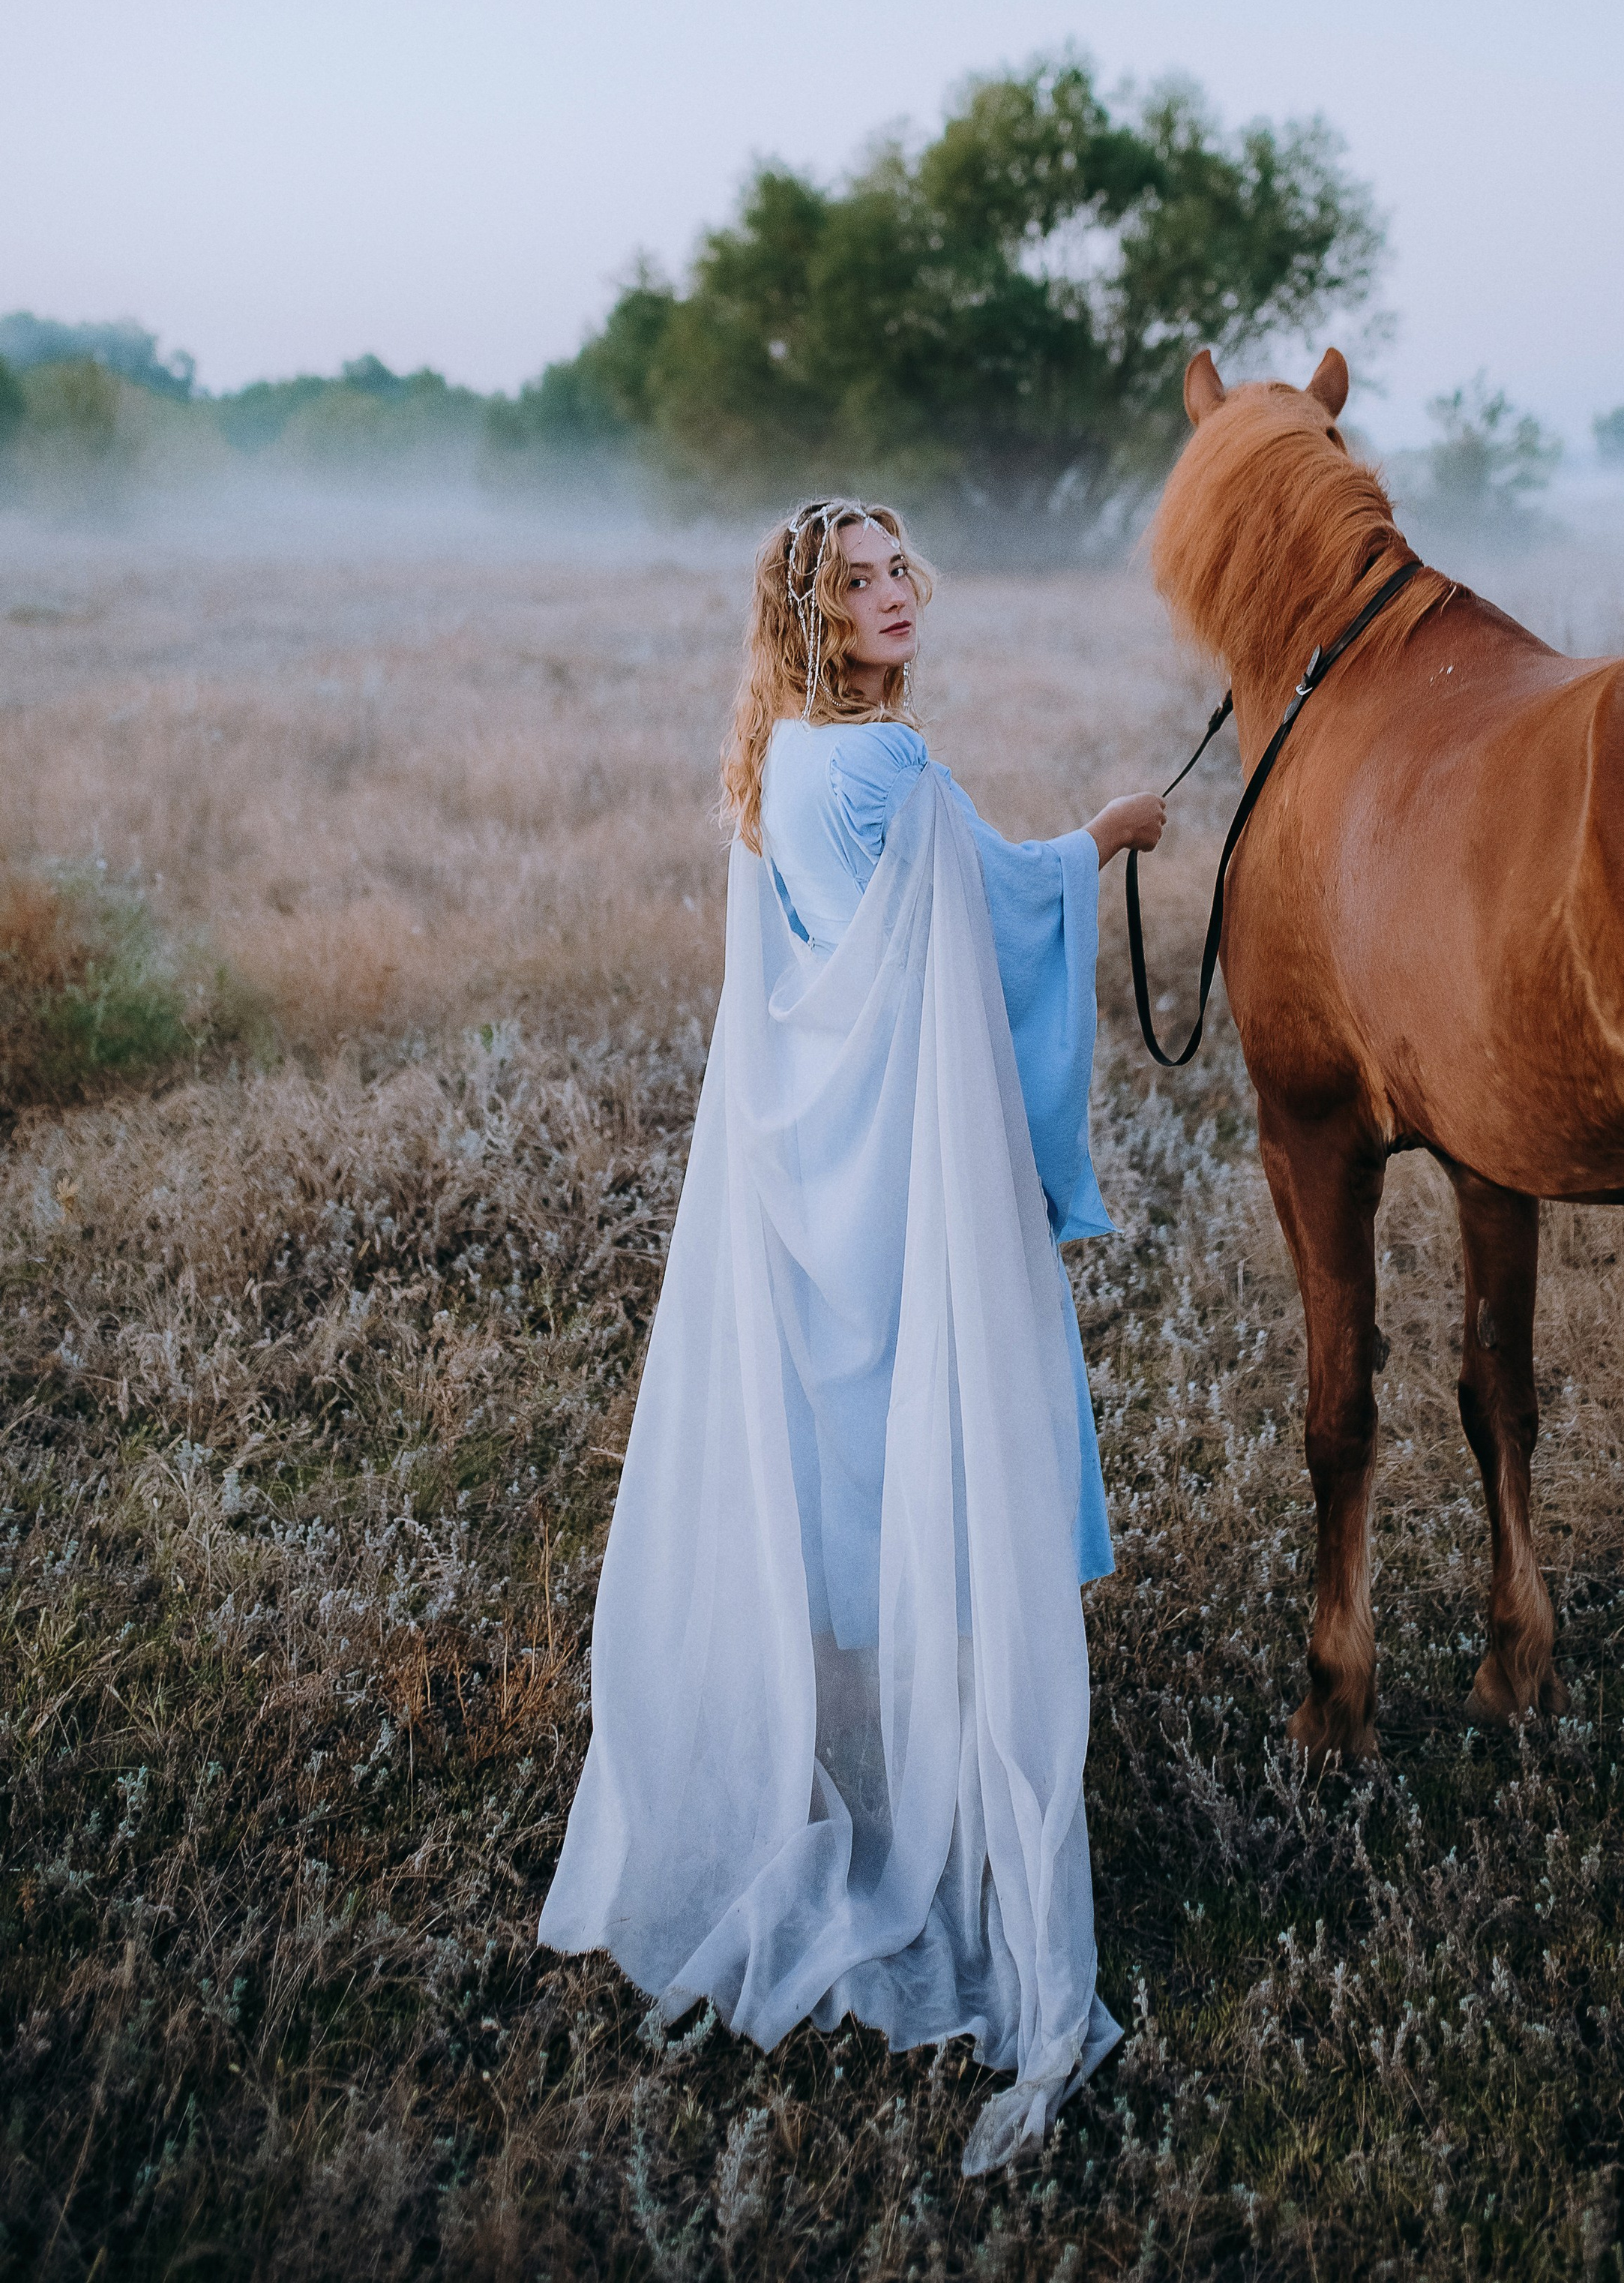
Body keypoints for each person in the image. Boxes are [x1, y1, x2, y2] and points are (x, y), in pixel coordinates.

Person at [540, 496, 1166, 2173]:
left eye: (901, 572)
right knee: (943, 1490)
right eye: (858, 580)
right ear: (807, 609)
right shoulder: (880, 771)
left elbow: (826, 981)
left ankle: (877, 1784)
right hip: (903, 1198)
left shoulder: (773, 772)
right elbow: (989, 914)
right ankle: (960, 1844)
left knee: (859, 1490)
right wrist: (1100, 840)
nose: (893, 596)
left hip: (822, 1194)